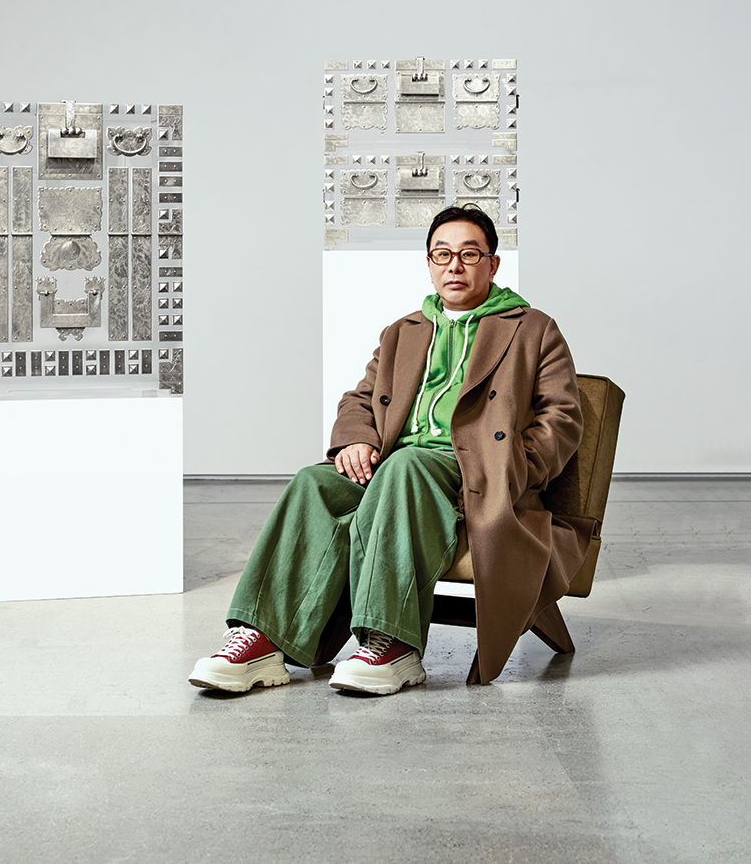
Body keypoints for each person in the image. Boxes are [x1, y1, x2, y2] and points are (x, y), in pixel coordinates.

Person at [189, 204, 588, 695]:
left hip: (473, 470)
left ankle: (392, 644)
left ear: (492, 264)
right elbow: (361, 397)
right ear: (429, 263)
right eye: (442, 254)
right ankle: (262, 639)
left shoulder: (533, 329)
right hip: (396, 466)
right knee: (315, 482)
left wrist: (509, 471)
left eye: (469, 254)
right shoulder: (403, 332)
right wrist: (356, 438)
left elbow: (561, 418)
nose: (454, 266)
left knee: (406, 464)